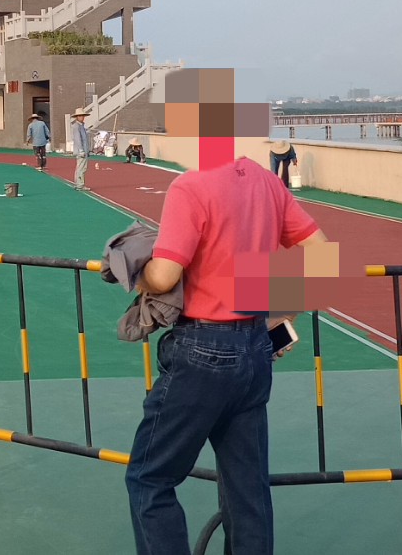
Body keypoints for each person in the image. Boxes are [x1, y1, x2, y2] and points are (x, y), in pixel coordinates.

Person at [125, 157, 327, 555]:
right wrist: (286, 312)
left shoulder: (191, 186)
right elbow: (321, 253)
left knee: (149, 477)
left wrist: (132, 269)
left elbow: (164, 276)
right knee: (247, 488)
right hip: (254, 345)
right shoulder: (267, 182)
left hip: (202, 348)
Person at [72, 107, 91, 190]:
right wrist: (81, 150)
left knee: (80, 167)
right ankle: (80, 184)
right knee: (82, 168)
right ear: (77, 117)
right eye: (80, 116)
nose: (82, 117)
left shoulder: (81, 126)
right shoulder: (76, 126)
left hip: (84, 150)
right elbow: (78, 139)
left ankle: (78, 183)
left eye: (83, 116)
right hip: (81, 151)